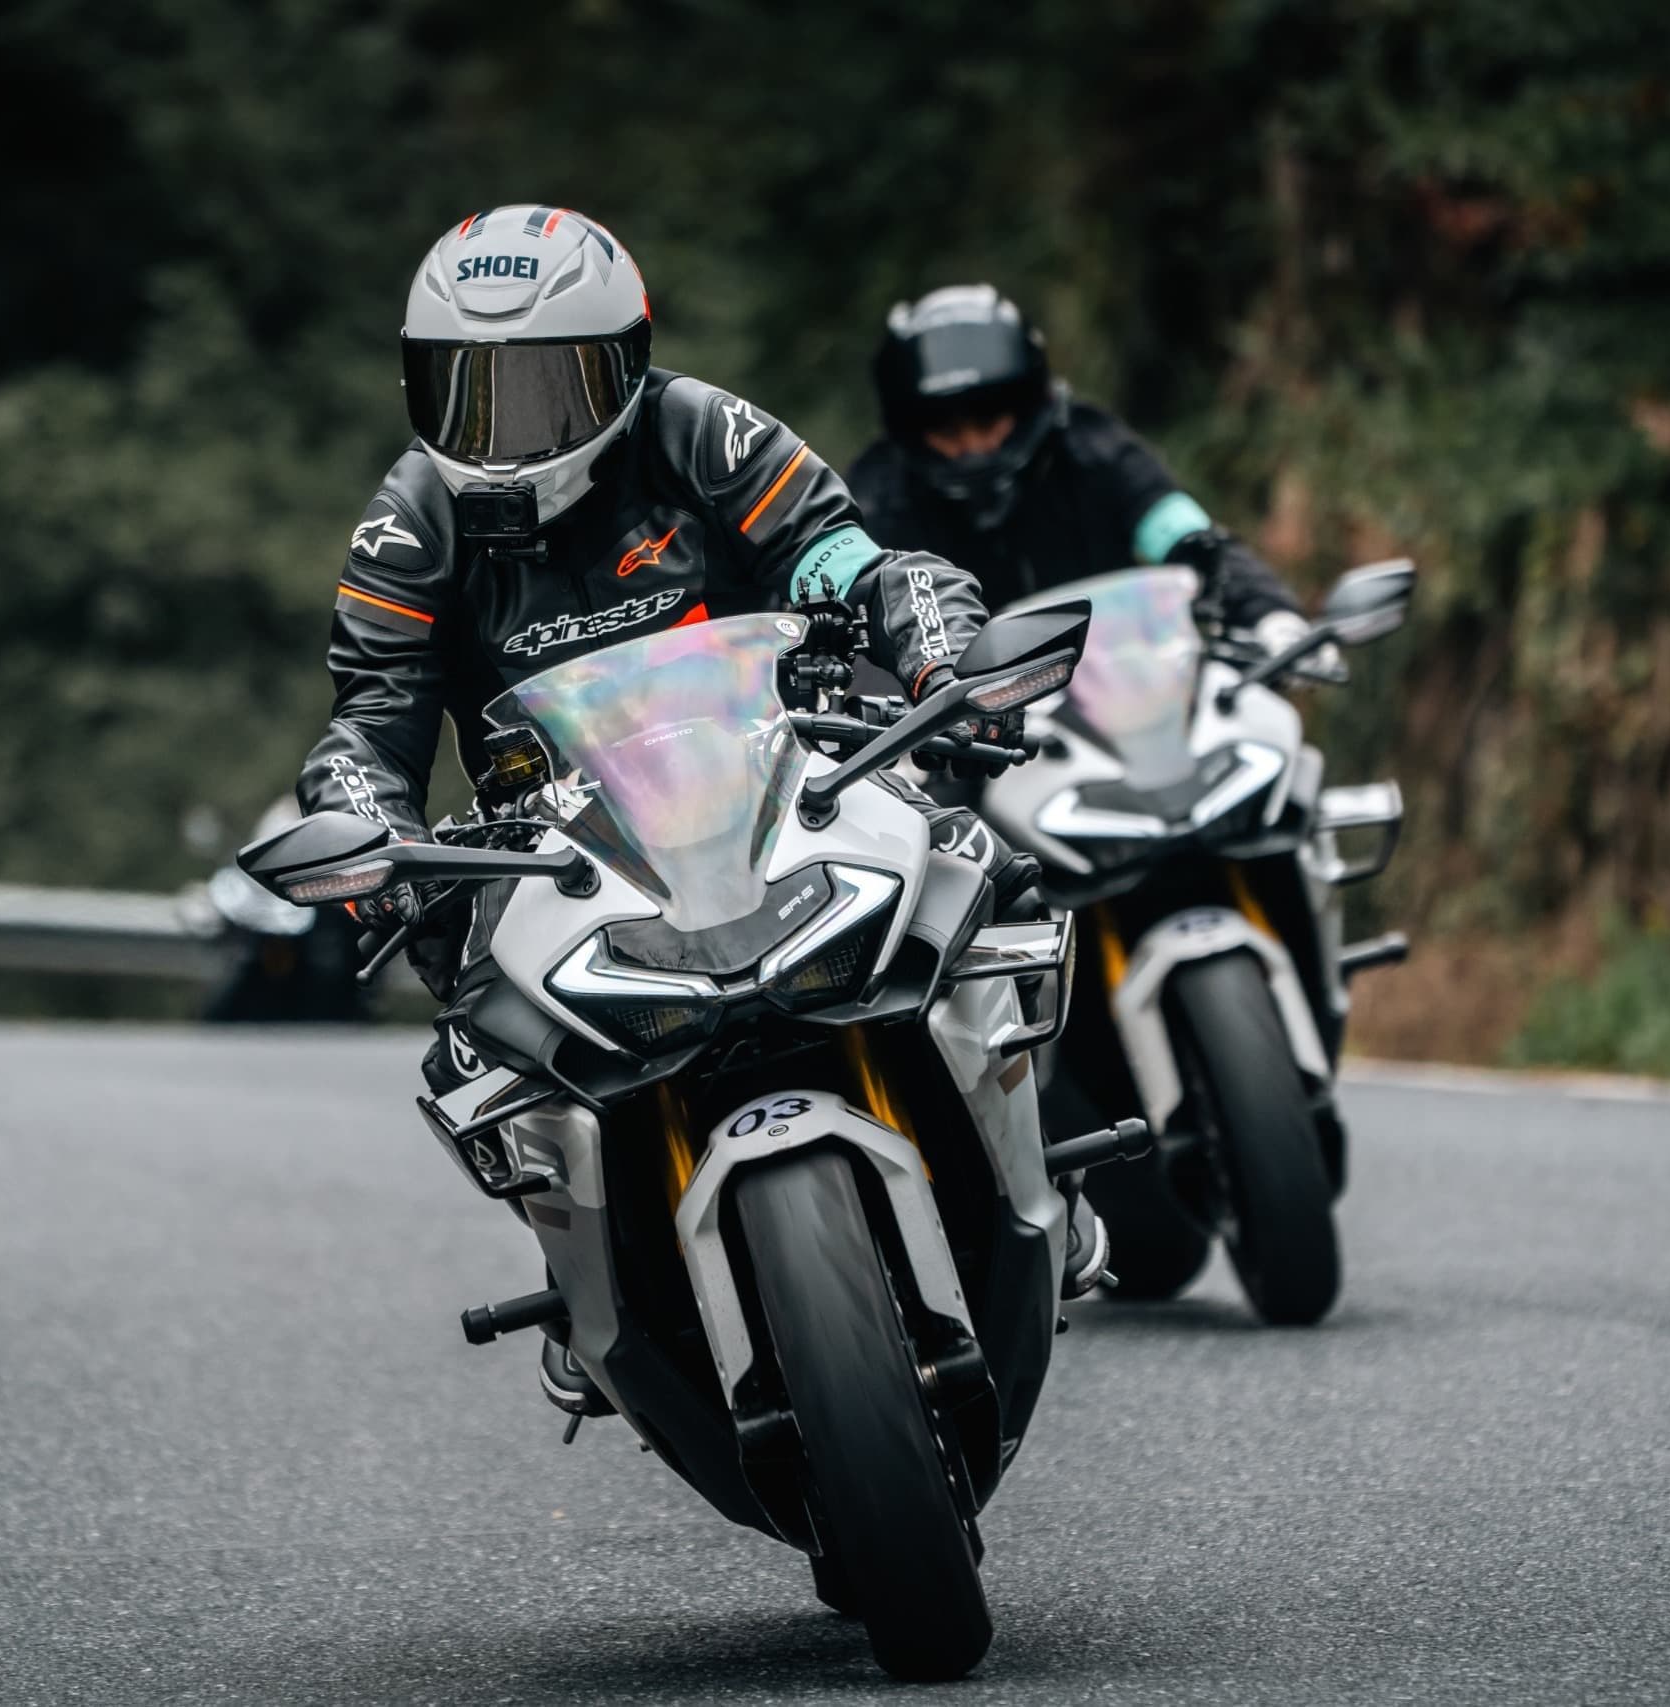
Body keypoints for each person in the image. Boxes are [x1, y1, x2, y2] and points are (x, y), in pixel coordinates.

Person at [289, 211, 1099, 1401]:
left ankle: (1032, 1164)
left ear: (623, 364)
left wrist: (931, 642)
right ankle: (584, 1271)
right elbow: (372, 711)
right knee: (461, 1001)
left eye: (544, 390)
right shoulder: (410, 518)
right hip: (560, 843)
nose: (505, 433)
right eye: (468, 391)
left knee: (982, 863)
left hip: (777, 775)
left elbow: (833, 554)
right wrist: (367, 827)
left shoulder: (697, 426)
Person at [848, 284, 1316, 657]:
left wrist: (1271, 616)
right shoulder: (876, 497)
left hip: (1131, 701)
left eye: (987, 418)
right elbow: (841, 600)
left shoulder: (1095, 449)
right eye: (944, 427)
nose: (972, 446)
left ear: (1027, 400)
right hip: (964, 744)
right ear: (908, 428)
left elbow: (1186, 535)